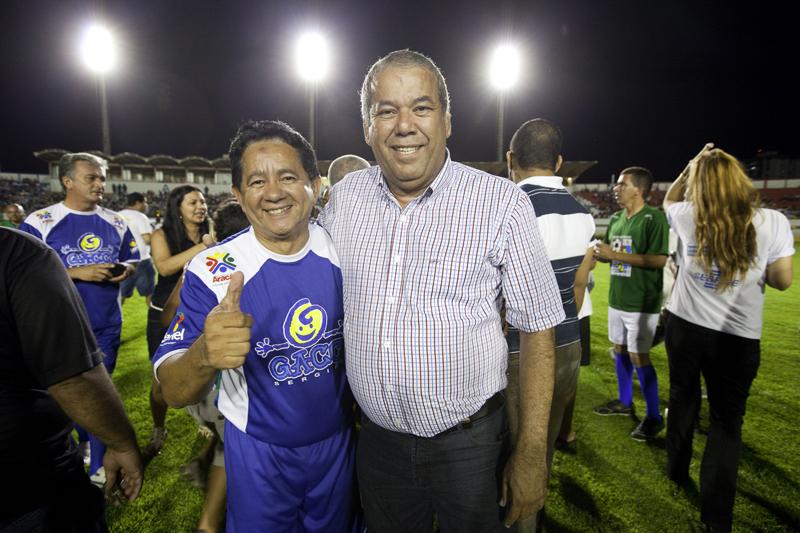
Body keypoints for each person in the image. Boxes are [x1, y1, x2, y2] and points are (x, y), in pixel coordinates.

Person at [319, 49, 564, 531]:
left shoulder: (501, 203)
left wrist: (533, 454)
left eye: (421, 107)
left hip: (471, 446)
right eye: (386, 111)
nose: (404, 125)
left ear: (447, 121)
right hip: (379, 443)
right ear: (367, 128)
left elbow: (538, 331)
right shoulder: (344, 200)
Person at [154, 120, 359, 533]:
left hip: (339, 446)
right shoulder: (212, 270)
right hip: (258, 453)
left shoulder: (346, 250)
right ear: (238, 194)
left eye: (288, 177)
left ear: (315, 185)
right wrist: (204, 355)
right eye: (257, 181)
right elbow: (172, 391)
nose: (274, 192)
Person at [662, 145, 794, 532]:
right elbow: (782, 280)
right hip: (737, 337)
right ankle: (716, 515)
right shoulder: (771, 220)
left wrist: (689, 165)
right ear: (739, 179)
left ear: (698, 184)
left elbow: (669, 199)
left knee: (683, 396)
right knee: (726, 421)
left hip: (685, 327)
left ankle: (676, 468)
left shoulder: (687, 214)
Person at [0, 228, 143, 531]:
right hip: (26, 484)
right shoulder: (20, 247)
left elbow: (133, 261)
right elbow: (73, 378)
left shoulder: (114, 222)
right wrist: (122, 443)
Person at [18, 152, 140, 481]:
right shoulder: (40, 221)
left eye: (102, 178)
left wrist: (124, 270)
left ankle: (98, 466)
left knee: (100, 393)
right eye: (92, 177)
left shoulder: (116, 221)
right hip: (55, 327)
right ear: (67, 181)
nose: (100, 184)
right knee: (61, 395)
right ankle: (78, 447)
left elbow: (132, 260)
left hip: (105, 323)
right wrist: (75, 272)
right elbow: (23, 273)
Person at [505, 118, 595, 530]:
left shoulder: (510, 208)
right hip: (567, 340)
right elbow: (578, 286)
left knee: (514, 452)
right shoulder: (583, 214)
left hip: (521, 349)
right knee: (542, 448)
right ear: (559, 162)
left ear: (510, 159)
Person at [592, 166, 668, 441]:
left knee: (639, 356)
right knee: (620, 349)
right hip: (618, 297)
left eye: (623, 184)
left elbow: (659, 259)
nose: (617, 188)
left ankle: (654, 416)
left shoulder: (654, 218)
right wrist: (602, 255)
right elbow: (613, 255)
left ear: (639, 189)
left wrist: (615, 255)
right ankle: (625, 402)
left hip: (641, 301)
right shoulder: (615, 219)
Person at [145, 185, 213, 457]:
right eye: (193, 202)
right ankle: (158, 427)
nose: (201, 207)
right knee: (160, 384)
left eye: (203, 202)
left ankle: (207, 421)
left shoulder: (211, 230)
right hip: (164, 315)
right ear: (178, 208)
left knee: (203, 372)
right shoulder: (162, 235)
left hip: (197, 314)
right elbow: (164, 267)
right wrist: (204, 247)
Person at [119, 192, 155, 306]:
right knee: (150, 294)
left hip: (122, 260)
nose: (146, 205)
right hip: (141, 260)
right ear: (138, 203)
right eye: (145, 202)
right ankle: (153, 316)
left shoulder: (116, 215)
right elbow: (147, 239)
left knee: (121, 295)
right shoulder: (140, 216)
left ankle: (114, 316)